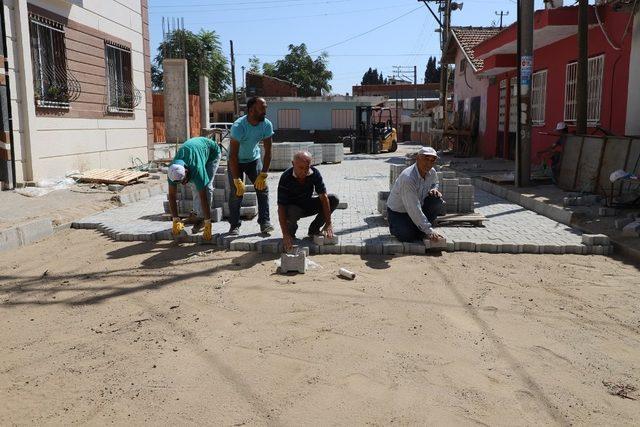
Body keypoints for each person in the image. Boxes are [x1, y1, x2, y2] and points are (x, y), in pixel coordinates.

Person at [227, 96, 274, 235]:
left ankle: (264, 222)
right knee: (237, 193)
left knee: (262, 189)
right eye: (262, 109)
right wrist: (237, 179)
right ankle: (234, 225)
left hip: (253, 159)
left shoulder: (266, 124)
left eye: (266, 108)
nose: (265, 112)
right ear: (252, 110)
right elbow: (233, 156)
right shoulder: (239, 126)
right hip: (236, 161)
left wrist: (263, 174)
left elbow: (269, 151)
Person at [277, 151, 339, 253]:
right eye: (301, 168)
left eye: (307, 168)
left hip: (307, 204)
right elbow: (281, 207)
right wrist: (285, 234)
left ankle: (314, 230)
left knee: (333, 199)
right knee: (292, 210)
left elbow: (324, 198)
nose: (304, 171)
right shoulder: (286, 177)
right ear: (293, 164)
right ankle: (290, 235)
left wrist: (328, 223)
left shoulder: (314, 173)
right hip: (293, 208)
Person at [167, 134, 221, 241]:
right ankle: (197, 214)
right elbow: (172, 196)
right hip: (196, 151)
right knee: (194, 185)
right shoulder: (172, 171)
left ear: (186, 170)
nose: (183, 184)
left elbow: (203, 195)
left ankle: (201, 220)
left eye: (183, 181)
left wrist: (208, 223)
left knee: (206, 187)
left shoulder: (196, 168)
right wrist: (175, 219)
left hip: (212, 153)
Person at [386, 146, 444, 242]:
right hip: (399, 213)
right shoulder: (408, 178)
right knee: (407, 236)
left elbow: (435, 182)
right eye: (426, 159)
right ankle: (397, 227)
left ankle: (419, 227)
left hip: (417, 208)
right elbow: (413, 207)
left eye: (432, 160)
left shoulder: (431, 172)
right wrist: (429, 231)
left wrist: (434, 189)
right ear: (417, 158)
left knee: (436, 200)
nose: (429, 163)